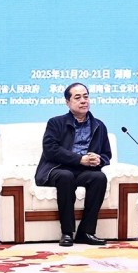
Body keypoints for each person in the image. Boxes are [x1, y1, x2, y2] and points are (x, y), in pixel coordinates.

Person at [35, 83, 111, 247]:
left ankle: (86, 232)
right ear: (68, 102)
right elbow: (50, 150)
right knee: (66, 176)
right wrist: (79, 159)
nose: (83, 101)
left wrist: (99, 160)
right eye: (77, 97)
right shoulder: (56, 123)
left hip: (84, 171)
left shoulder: (99, 125)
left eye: (86, 96)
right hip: (56, 169)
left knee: (99, 177)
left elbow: (106, 154)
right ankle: (67, 232)